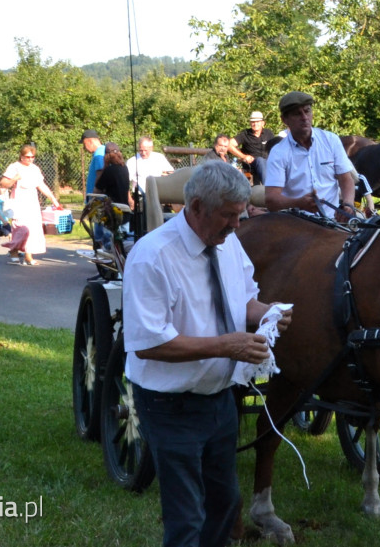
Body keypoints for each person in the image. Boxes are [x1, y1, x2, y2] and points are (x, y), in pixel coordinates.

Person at [122, 160, 292, 547]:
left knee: (225, 503)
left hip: (219, 401)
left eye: (241, 214)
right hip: (170, 405)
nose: (237, 225)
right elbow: (149, 344)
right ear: (196, 207)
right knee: (186, 516)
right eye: (229, 216)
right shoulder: (153, 256)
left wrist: (267, 312)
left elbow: (243, 297)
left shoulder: (228, 243)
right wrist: (228, 345)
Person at [264, 91, 356, 222]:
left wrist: (348, 204)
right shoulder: (278, 152)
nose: (304, 117)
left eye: (307, 111)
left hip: (334, 222)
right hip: (297, 223)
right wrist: (298, 203)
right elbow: (271, 199)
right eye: (297, 114)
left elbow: (346, 179)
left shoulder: (331, 140)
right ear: (284, 120)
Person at [0, 145, 61, 267]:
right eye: (27, 157)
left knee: (33, 229)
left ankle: (28, 256)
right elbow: (3, 183)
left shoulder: (35, 169)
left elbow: (41, 185)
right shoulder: (14, 167)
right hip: (19, 202)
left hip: (32, 202)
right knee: (20, 228)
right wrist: (15, 178)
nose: (30, 159)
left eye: (32, 157)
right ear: (21, 156)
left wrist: (53, 199)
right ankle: (14, 251)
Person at [227, 111, 274, 185]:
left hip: (267, 164)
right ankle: (269, 189)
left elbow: (275, 148)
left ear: (263, 123)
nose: (255, 124)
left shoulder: (268, 133)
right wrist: (243, 156)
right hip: (251, 165)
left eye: (257, 122)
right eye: (253, 122)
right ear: (250, 123)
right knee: (260, 160)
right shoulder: (245, 134)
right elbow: (229, 144)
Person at [94, 142, 133, 210]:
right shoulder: (124, 168)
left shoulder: (109, 170)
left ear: (107, 156)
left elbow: (97, 190)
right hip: (125, 207)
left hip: (113, 209)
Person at [82, 129, 106, 198]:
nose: (84, 147)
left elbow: (100, 175)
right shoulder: (103, 150)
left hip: (97, 200)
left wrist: (94, 197)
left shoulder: (99, 154)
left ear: (90, 141)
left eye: (84, 144)